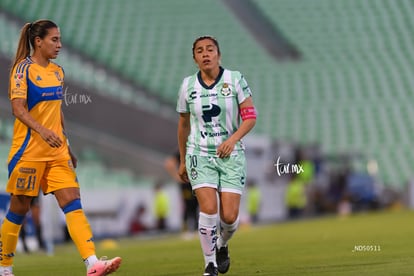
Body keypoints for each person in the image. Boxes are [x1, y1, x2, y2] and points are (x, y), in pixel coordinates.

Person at [0, 20, 121, 276]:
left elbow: (57, 111)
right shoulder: (22, 70)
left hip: (57, 153)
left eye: (60, 39)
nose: (59, 45)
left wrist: (67, 144)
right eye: (54, 39)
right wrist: (43, 131)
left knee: (73, 203)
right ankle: (4, 268)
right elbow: (17, 108)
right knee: (18, 210)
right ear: (38, 41)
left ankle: (93, 263)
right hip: (28, 152)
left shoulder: (58, 71)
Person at [177, 36, 257, 276]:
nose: (205, 54)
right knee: (208, 208)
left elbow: (250, 116)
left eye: (210, 49)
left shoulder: (235, 79)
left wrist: (232, 141)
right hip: (199, 154)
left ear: (218, 54)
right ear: (194, 58)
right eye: (200, 51)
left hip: (231, 155)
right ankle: (209, 264)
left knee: (230, 217)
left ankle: (222, 244)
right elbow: (183, 125)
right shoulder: (187, 86)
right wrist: (182, 159)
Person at [164, 151, 198, 236]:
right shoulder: (181, 151)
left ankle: (196, 228)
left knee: (196, 205)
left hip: (195, 182)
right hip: (185, 184)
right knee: (188, 205)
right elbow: (169, 164)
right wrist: (176, 177)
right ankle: (186, 229)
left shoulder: (195, 148)